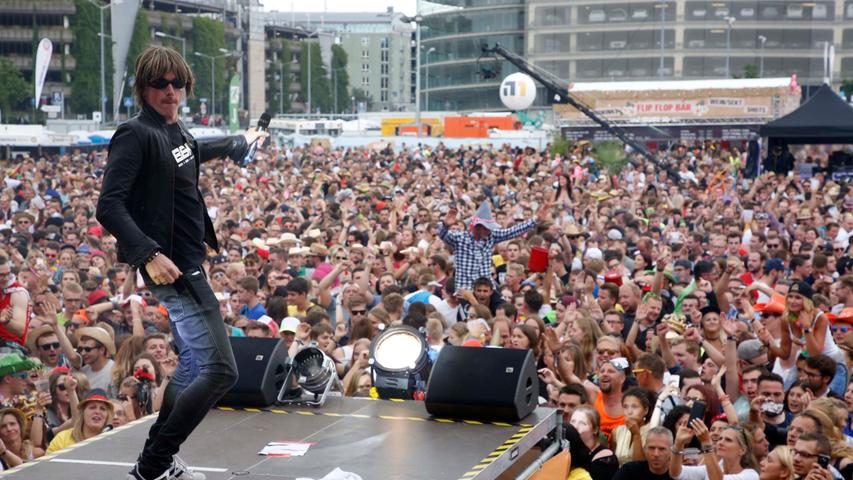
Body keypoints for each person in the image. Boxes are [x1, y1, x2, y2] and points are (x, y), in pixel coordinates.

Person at [96, 46, 266, 480]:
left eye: (177, 83)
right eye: (159, 83)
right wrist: (149, 254)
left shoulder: (175, 132)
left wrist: (234, 143)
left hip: (187, 261)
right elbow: (109, 207)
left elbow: (190, 150)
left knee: (191, 367)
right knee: (221, 371)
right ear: (143, 88)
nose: (170, 91)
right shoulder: (136, 134)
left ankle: (155, 462)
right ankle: (153, 464)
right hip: (171, 266)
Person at [437, 201, 550, 292]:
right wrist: (445, 225)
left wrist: (536, 219)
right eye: (487, 227)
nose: (490, 230)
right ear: (478, 226)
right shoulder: (460, 238)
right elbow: (443, 235)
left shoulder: (492, 236)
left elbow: (513, 231)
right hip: (465, 291)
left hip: (487, 290)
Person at [670, 418, 759, 480]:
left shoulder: (751, 476)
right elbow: (676, 473)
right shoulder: (713, 468)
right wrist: (678, 443)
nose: (720, 442)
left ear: (742, 450)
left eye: (728, 440)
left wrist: (706, 443)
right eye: (720, 438)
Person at [46, 389, 114, 454]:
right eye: (92, 407)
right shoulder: (62, 438)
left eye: (103, 409)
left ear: (107, 415)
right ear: (82, 413)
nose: (97, 412)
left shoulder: (112, 440)